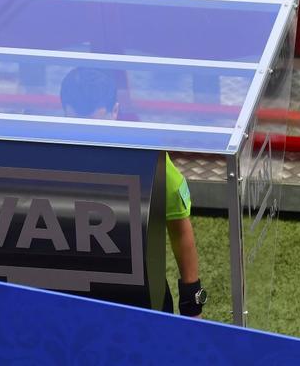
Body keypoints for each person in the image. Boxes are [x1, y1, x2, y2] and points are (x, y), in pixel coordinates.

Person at [60, 67, 207, 317]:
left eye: (96, 124)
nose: (86, 136)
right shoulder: (45, 153)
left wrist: (191, 302)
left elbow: (179, 227)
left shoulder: (148, 159)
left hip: (138, 301)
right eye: (76, 123)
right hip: (69, 298)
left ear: (115, 111)